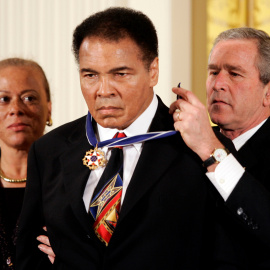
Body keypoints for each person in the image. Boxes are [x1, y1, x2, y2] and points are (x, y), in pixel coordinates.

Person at [16, 7, 234, 270]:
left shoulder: (201, 148)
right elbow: (29, 258)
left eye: (120, 74)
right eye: (90, 75)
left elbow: (227, 256)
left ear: (153, 70)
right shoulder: (49, 150)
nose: (104, 90)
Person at [170, 27, 270, 269]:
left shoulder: (203, 142)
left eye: (235, 74)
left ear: (268, 93)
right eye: (213, 72)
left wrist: (209, 147)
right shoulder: (182, 143)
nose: (218, 84)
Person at [0, 58, 52, 269]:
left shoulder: (76, 181)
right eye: (3, 99)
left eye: (29, 98)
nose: (16, 109)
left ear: (49, 109)